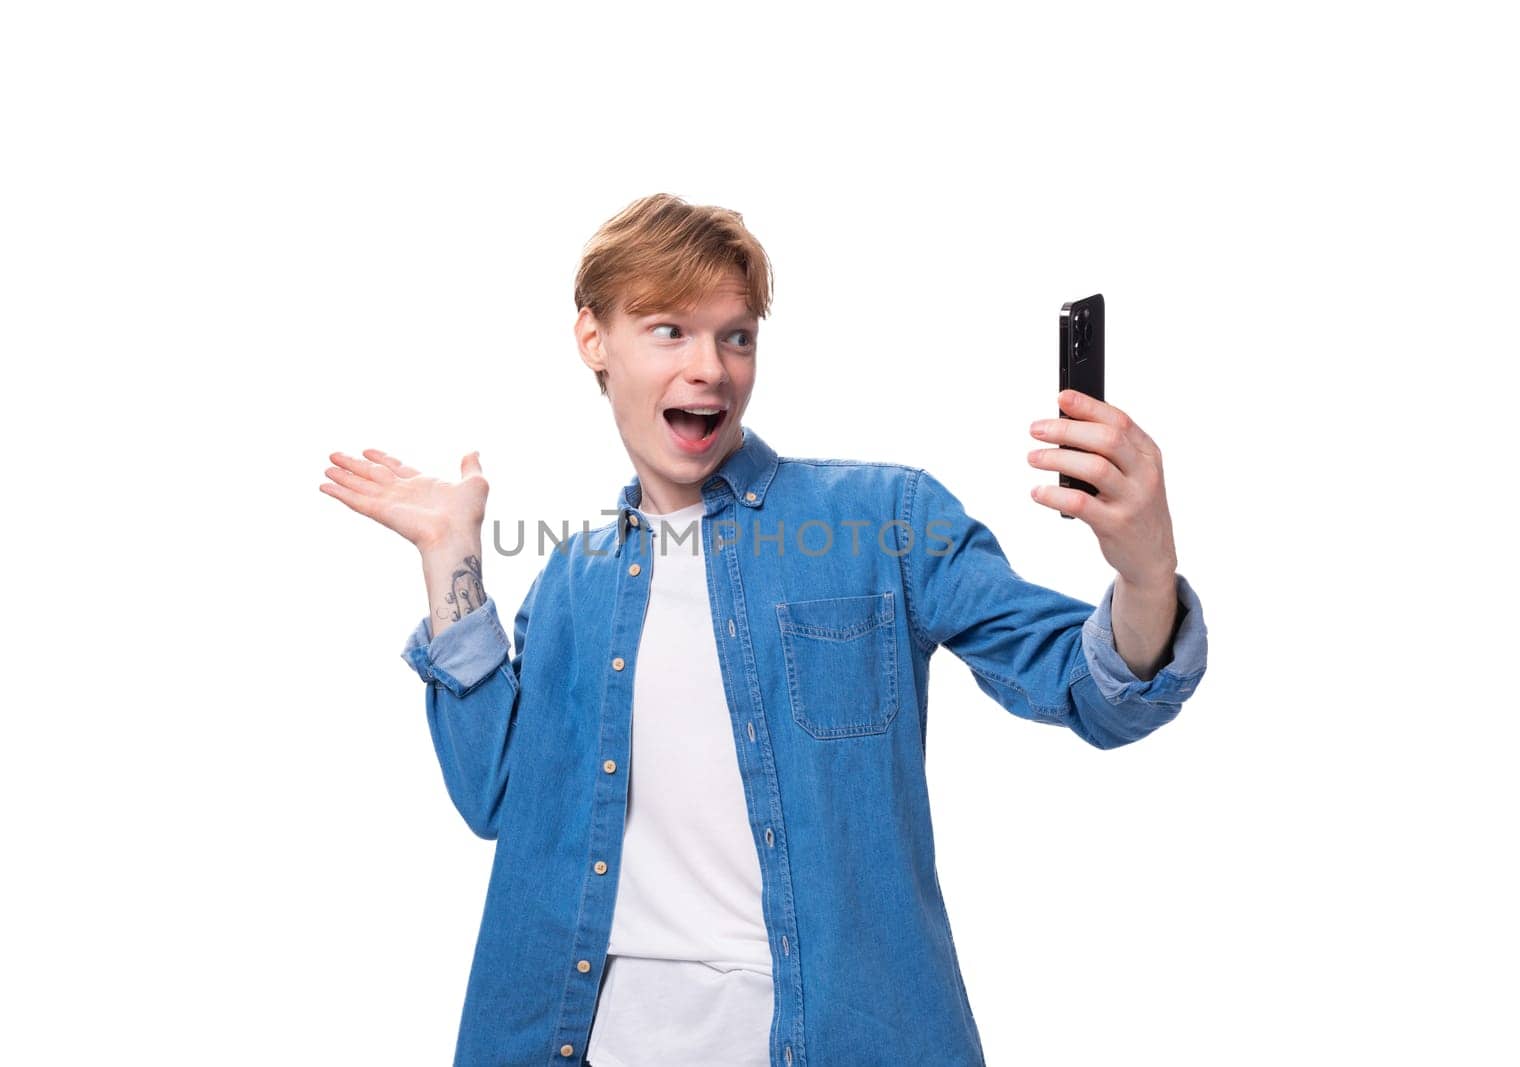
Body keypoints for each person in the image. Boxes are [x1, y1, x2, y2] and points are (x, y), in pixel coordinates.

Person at [318, 193, 1209, 1066]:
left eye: (735, 334)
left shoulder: (882, 519)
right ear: (595, 339)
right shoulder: (570, 582)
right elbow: (496, 799)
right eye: (670, 329)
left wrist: (1143, 568)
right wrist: (450, 561)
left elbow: (1094, 689)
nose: (711, 367)